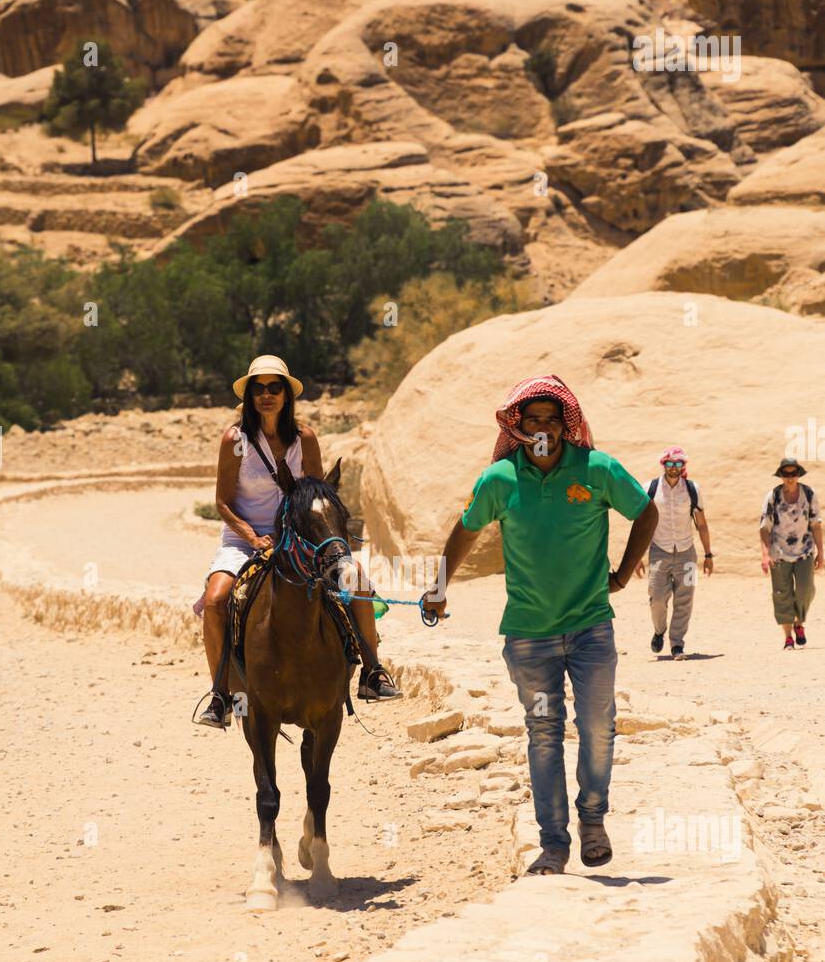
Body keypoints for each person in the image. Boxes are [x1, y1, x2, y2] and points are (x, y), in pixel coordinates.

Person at [421, 374, 657, 875]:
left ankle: (592, 821)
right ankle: (554, 844)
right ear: (519, 426)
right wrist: (440, 590)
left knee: (597, 728)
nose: (544, 427)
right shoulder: (500, 479)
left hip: (592, 627)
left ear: (567, 423)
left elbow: (646, 511)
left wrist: (621, 575)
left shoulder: (597, 469)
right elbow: (463, 533)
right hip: (529, 637)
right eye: (534, 420)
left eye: (553, 418)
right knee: (544, 733)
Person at [195, 354, 401, 728]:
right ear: (250, 396)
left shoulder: (304, 438)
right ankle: (221, 694)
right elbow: (223, 503)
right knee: (216, 600)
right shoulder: (234, 439)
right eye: (259, 389)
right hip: (245, 538)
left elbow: (315, 496)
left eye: (275, 388)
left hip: (297, 537)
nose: (267, 395)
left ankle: (373, 671)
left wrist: (316, 538)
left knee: (357, 583)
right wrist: (254, 538)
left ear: (287, 394)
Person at [633, 446, 714, 659]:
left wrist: (708, 554)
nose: (674, 468)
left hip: (687, 552)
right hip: (659, 550)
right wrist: (636, 557)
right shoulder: (650, 488)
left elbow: (702, 524)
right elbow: (641, 523)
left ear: (683, 466)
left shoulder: (692, 489)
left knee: (685, 599)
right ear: (663, 465)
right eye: (670, 463)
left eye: (678, 464)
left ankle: (677, 644)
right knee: (657, 597)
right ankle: (659, 631)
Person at [759, 457, 823, 650]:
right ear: (781, 476)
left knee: (806, 590)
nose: (789, 478)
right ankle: (788, 638)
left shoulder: (809, 494)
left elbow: (816, 525)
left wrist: (821, 552)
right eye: (785, 474)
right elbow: (764, 528)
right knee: (781, 595)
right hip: (779, 553)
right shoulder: (773, 496)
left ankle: (799, 622)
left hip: (804, 552)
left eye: (793, 474)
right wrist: (765, 554)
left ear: (798, 475)